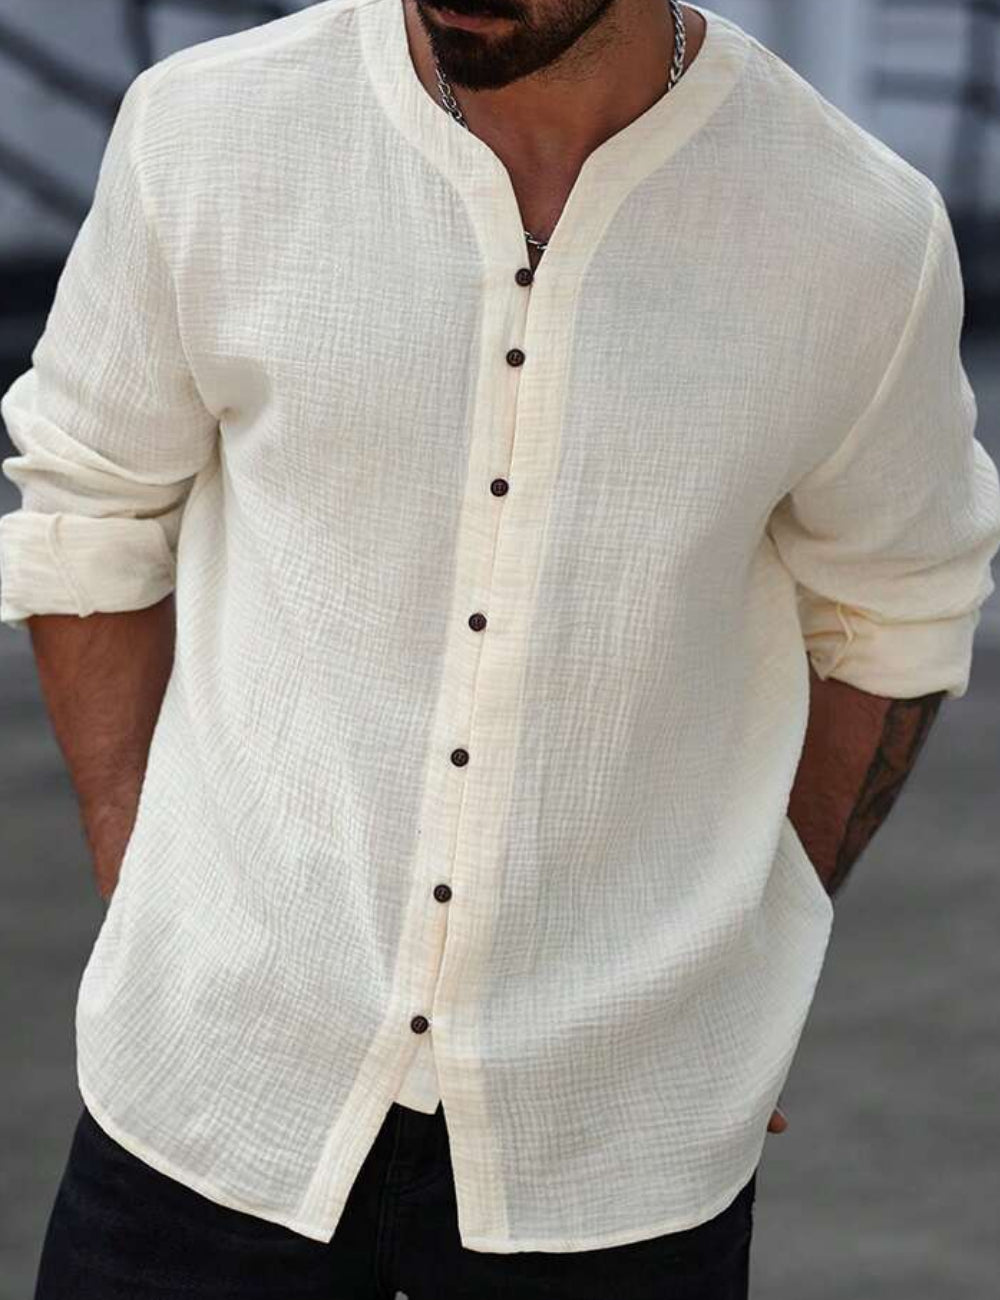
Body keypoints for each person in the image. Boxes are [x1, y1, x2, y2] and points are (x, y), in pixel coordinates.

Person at [2, 0, 999, 1295]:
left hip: (611, 1161)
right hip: (206, 1109)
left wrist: (745, 963)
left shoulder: (855, 231)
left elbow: (897, 605)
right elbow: (91, 507)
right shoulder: (208, 131)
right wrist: (142, 871)